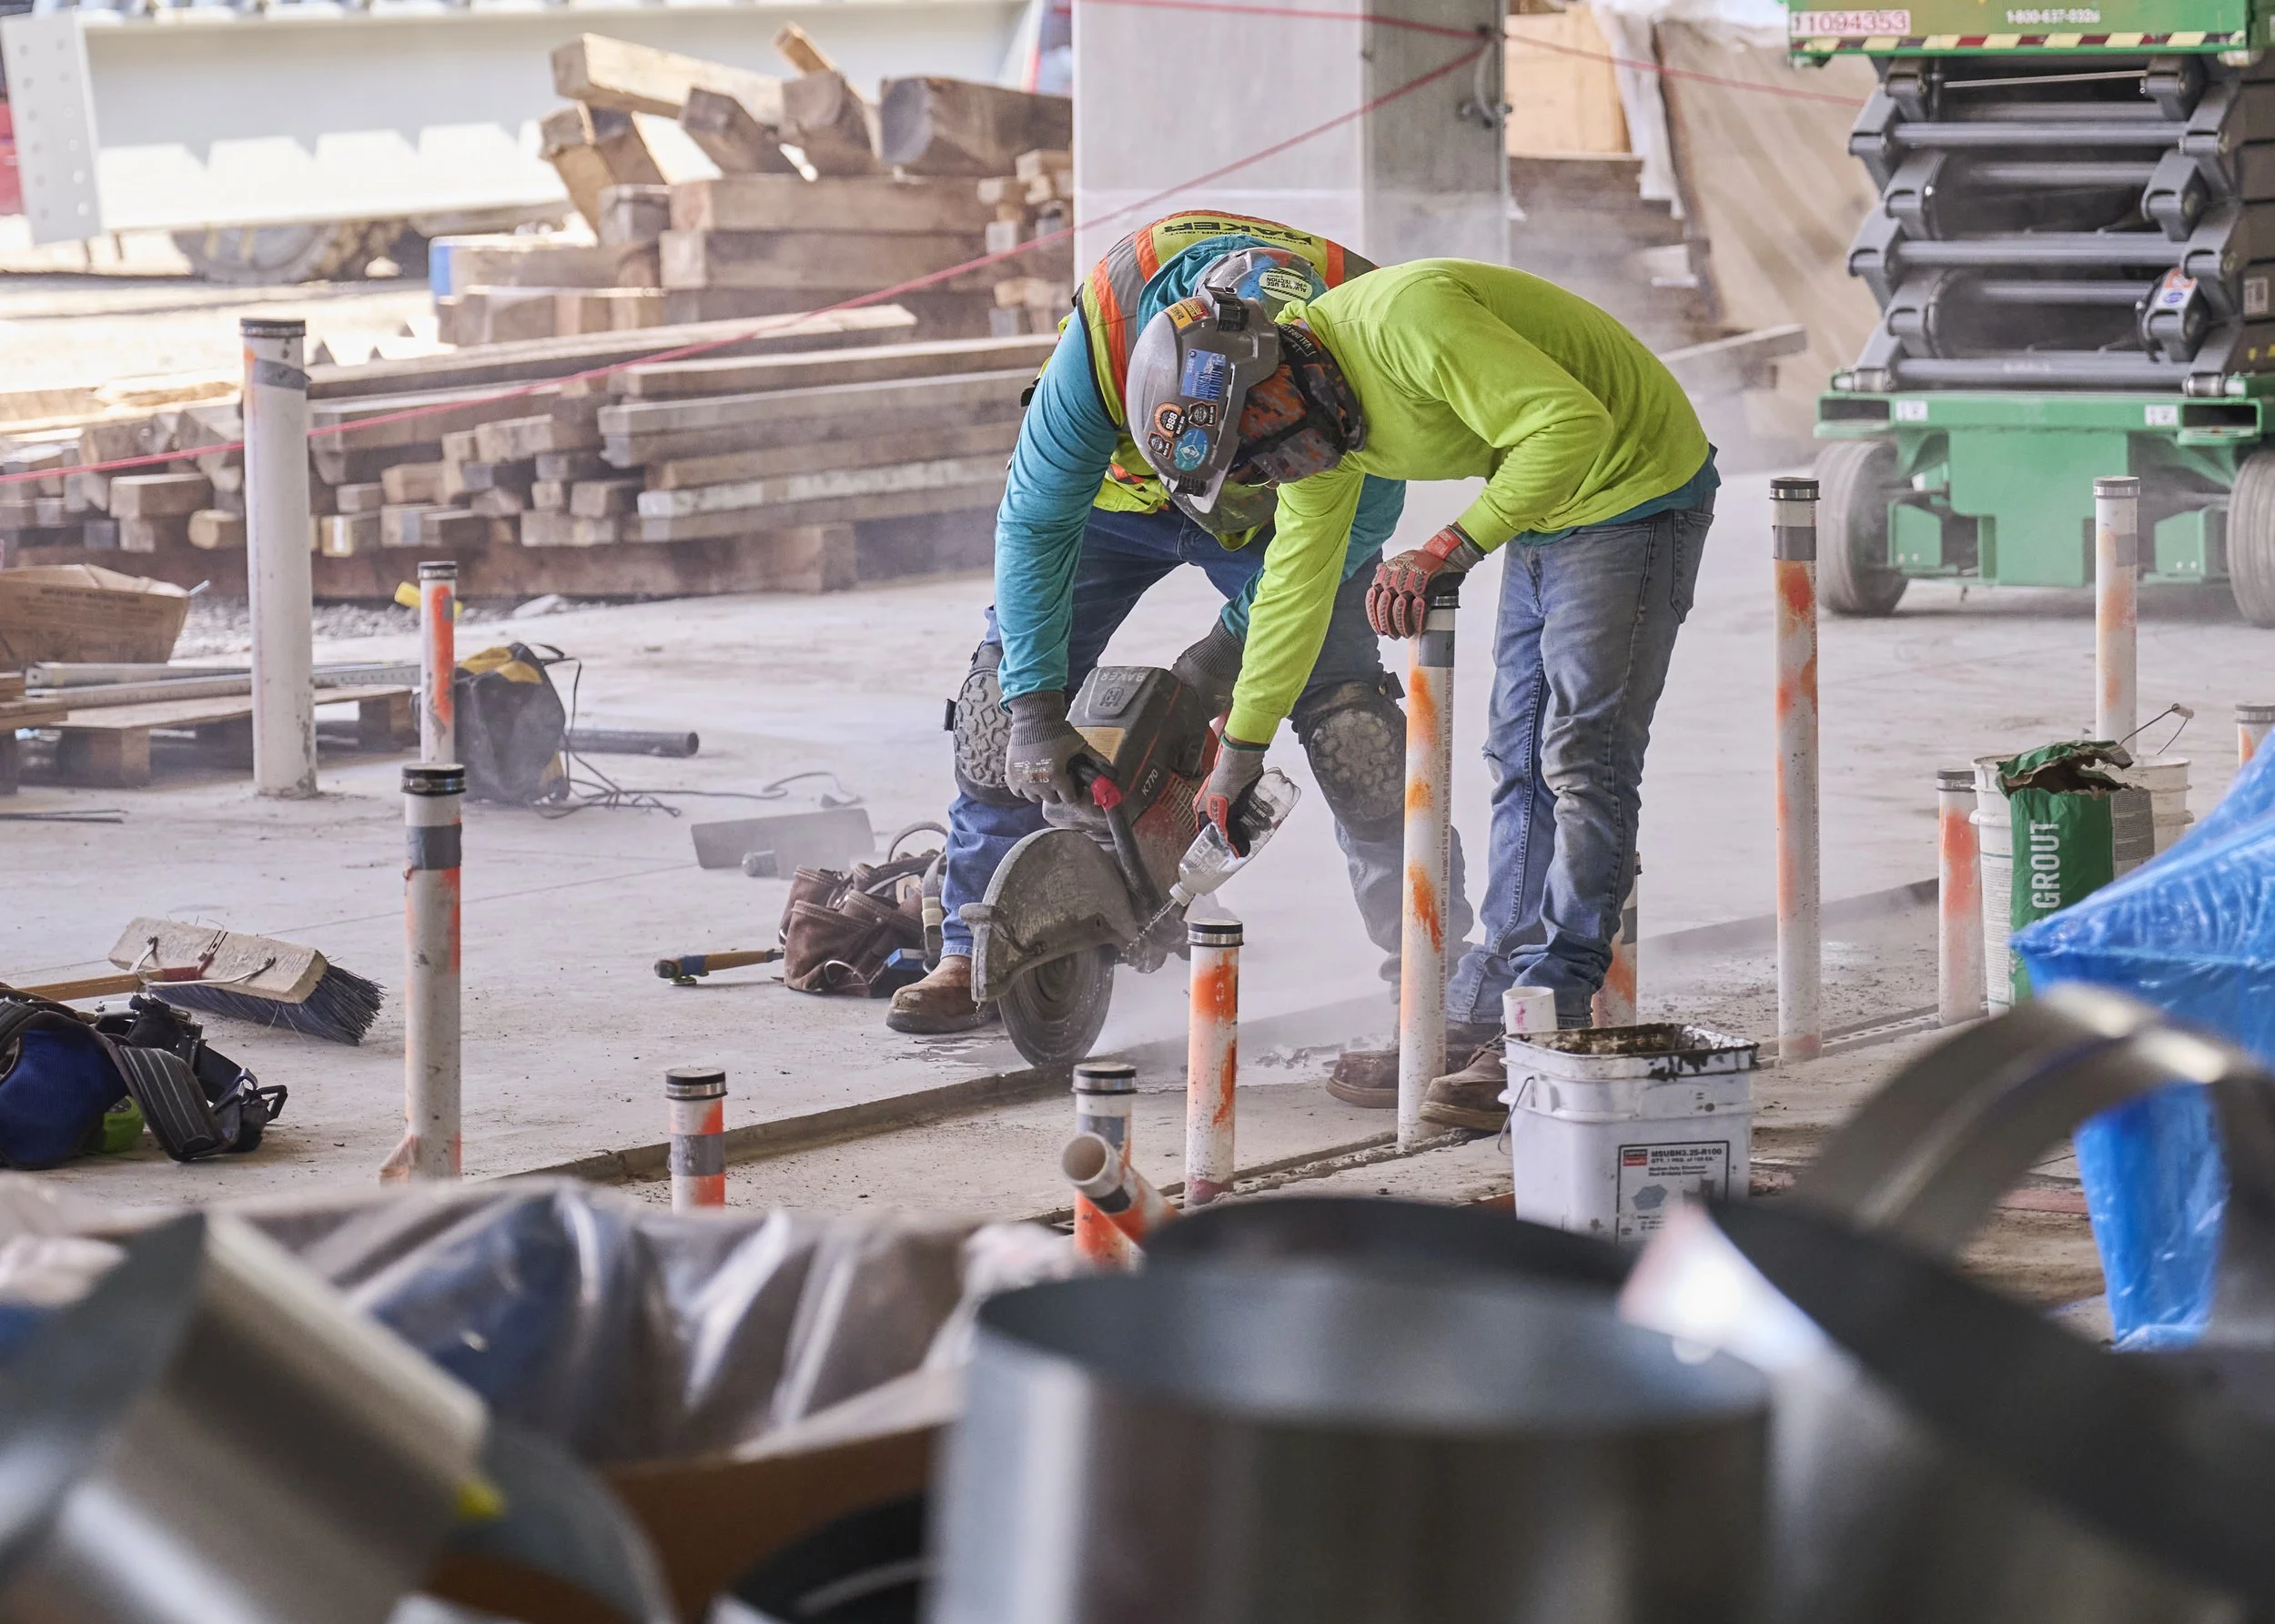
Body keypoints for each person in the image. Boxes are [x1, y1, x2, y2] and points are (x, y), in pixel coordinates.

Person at [1126, 254, 1716, 1128]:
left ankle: (1555, 1009)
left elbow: (1570, 426)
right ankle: (1499, 1000)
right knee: (1514, 755)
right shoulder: (1314, 431)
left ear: (1272, 374)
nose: (1277, 465)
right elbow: (1295, 586)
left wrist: (1450, 546)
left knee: (1581, 757)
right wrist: (1239, 751)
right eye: (1254, 463)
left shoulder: (1408, 321)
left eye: (1263, 443)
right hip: (1552, 505)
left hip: (1633, 487)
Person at [887, 216, 1471, 1036]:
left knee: (1353, 732)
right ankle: (970, 948)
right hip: (1119, 506)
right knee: (996, 709)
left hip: (1295, 526)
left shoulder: (1367, 358)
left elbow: (1337, 552)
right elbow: (1032, 521)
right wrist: (1031, 708)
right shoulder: (1106, 335)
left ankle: (1430, 969)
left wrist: (1219, 661)